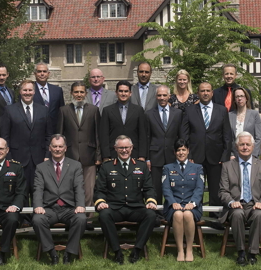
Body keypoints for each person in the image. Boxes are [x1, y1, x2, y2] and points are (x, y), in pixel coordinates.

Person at [94, 135, 157, 265]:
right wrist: (100, 202)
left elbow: (149, 188)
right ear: (115, 149)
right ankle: (117, 251)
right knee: (104, 215)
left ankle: (137, 250)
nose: (124, 150)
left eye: (127, 147)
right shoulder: (107, 167)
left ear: (132, 148)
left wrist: (150, 200)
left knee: (151, 215)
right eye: (121, 148)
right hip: (115, 208)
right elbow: (99, 190)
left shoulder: (141, 166)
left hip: (135, 207)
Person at [218, 132, 261, 266]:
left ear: (253, 147)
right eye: (242, 144)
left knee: (259, 215)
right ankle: (241, 252)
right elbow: (223, 191)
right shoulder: (227, 166)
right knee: (237, 214)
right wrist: (231, 202)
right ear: (236, 147)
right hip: (237, 204)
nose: (245, 147)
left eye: (248, 144)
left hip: (255, 205)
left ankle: (253, 253)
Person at [32, 134, 86, 265]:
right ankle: (52, 253)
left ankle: (69, 253)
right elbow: (38, 189)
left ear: (65, 148)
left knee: (81, 218)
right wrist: (38, 206)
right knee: (37, 220)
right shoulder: (41, 167)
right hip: (50, 208)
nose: (57, 149)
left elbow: (79, 187)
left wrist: (80, 205)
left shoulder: (75, 165)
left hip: (69, 208)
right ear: (49, 148)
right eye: (54, 146)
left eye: (60, 146)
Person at [181, 82, 232, 218]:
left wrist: (225, 156)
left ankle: (215, 218)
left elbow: (227, 135)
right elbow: (184, 135)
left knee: (216, 190)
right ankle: (195, 217)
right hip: (195, 158)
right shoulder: (190, 110)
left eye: (208, 90)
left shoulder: (221, 110)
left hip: (216, 158)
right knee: (195, 189)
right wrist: (188, 155)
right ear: (198, 93)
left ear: (212, 93)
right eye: (202, 91)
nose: (205, 93)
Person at [1, 80, 52, 211]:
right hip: (17, 158)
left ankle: (38, 217)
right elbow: (5, 136)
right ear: (20, 91)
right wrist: (9, 157)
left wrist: (47, 155)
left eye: (30, 90)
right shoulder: (9, 110)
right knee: (20, 189)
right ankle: (23, 219)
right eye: (25, 90)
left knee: (38, 189)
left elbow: (48, 136)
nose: (27, 93)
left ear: (34, 92)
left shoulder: (44, 110)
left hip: (39, 158)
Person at [57, 81, 101, 228]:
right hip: (70, 155)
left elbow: (97, 135)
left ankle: (88, 219)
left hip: (89, 155)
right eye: (76, 92)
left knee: (88, 189)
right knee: (70, 188)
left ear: (86, 93)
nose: (79, 95)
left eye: (82, 92)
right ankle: (72, 216)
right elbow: (60, 135)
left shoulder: (94, 110)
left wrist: (98, 156)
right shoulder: (64, 110)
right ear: (71, 93)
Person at [162, 139, 204, 262]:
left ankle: (189, 249)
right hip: (173, 206)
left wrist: (193, 203)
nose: (181, 153)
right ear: (175, 152)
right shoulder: (167, 168)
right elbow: (166, 189)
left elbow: (199, 189)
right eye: (179, 150)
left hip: (192, 206)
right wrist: (173, 202)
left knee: (187, 214)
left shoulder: (197, 168)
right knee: (179, 214)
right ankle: (180, 250)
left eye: (183, 150)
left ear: (188, 151)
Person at [145, 85, 182, 209]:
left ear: (169, 96)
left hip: (173, 156)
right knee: (156, 187)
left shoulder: (177, 113)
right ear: (156, 97)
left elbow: (180, 136)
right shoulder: (149, 114)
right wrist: (147, 158)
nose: (162, 98)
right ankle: (157, 214)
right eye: (159, 95)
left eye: (164, 95)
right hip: (155, 156)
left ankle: (173, 211)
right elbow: (147, 137)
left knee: (174, 186)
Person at [100, 80, 147, 161]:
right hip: (113, 154)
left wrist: (142, 156)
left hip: (134, 154)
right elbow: (104, 135)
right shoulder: (107, 110)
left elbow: (142, 134)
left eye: (126, 91)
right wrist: (106, 156)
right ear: (116, 92)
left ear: (130, 93)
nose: (123, 94)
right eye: (120, 91)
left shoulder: (138, 110)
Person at [229, 87, 261, 159]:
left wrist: (253, 155)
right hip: (235, 156)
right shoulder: (229, 116)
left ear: (246, 98)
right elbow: (228, 138)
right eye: (237, 96)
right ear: (234, 100)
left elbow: (258, 137)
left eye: (241, 96)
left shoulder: (254, 114)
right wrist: (231, 154)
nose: (239, 99)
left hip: (251, 155)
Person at [33, 62, 65, 133]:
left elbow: (61, 111)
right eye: (39, 71)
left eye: (44, 71)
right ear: (35, 74)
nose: (42, 74)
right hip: (35, 131)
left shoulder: (57, 90)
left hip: (54, 130)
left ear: (48, 74)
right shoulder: (29, 91)